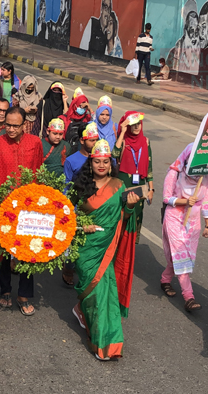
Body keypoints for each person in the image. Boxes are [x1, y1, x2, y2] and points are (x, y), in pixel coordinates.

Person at [71, 139, 140, 361]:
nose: (101, 165)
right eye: (97, 162)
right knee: (91, 293)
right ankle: (82, 310)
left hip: (107, 248)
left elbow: (123, 218)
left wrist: (129, 206)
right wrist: (82, 225)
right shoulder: (80, 186)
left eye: (105, 162)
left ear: (111, 164)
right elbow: (68, 216)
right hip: (85, 246)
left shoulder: (119, 186)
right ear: (90, 163)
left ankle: (106, 344)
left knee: (104, 296)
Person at [0, 107, 43, 316]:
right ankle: (5, 289)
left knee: (28, 250)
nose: (10, 129)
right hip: (4, 206)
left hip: (28, 207)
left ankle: (24, 294)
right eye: (7, 125)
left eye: (15, 126)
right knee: (3, 250)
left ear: (24, 125)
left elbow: (38, 172)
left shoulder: (35, 143)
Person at [160, 143, 208, 311]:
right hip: (175, 217)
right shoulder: (174, 173)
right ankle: (189, 297)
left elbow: (206, 201)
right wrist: (184, 201)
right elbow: (167, 198)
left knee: (183, 257)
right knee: (180, 256)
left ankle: (165, 279)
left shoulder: (205, 177)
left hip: (194, 222)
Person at [113, 111, 154, 241]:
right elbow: (114, 154)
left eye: (139, 124)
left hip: (140, 186)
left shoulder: (146, 142)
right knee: (123, 217)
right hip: (124, 186)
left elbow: (149, 167)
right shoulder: (123, 141)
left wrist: (151, 189)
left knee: (136, 216)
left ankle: (130, 250)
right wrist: (123, 132)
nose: (137, 127)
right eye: (133, 124)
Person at [61, 89, 92, 153]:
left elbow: (97, 122)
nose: (82, 108)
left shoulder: (88, 118)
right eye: (79, 106)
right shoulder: (65, 118)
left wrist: (90, 109)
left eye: (84, 107)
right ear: (75, 105)